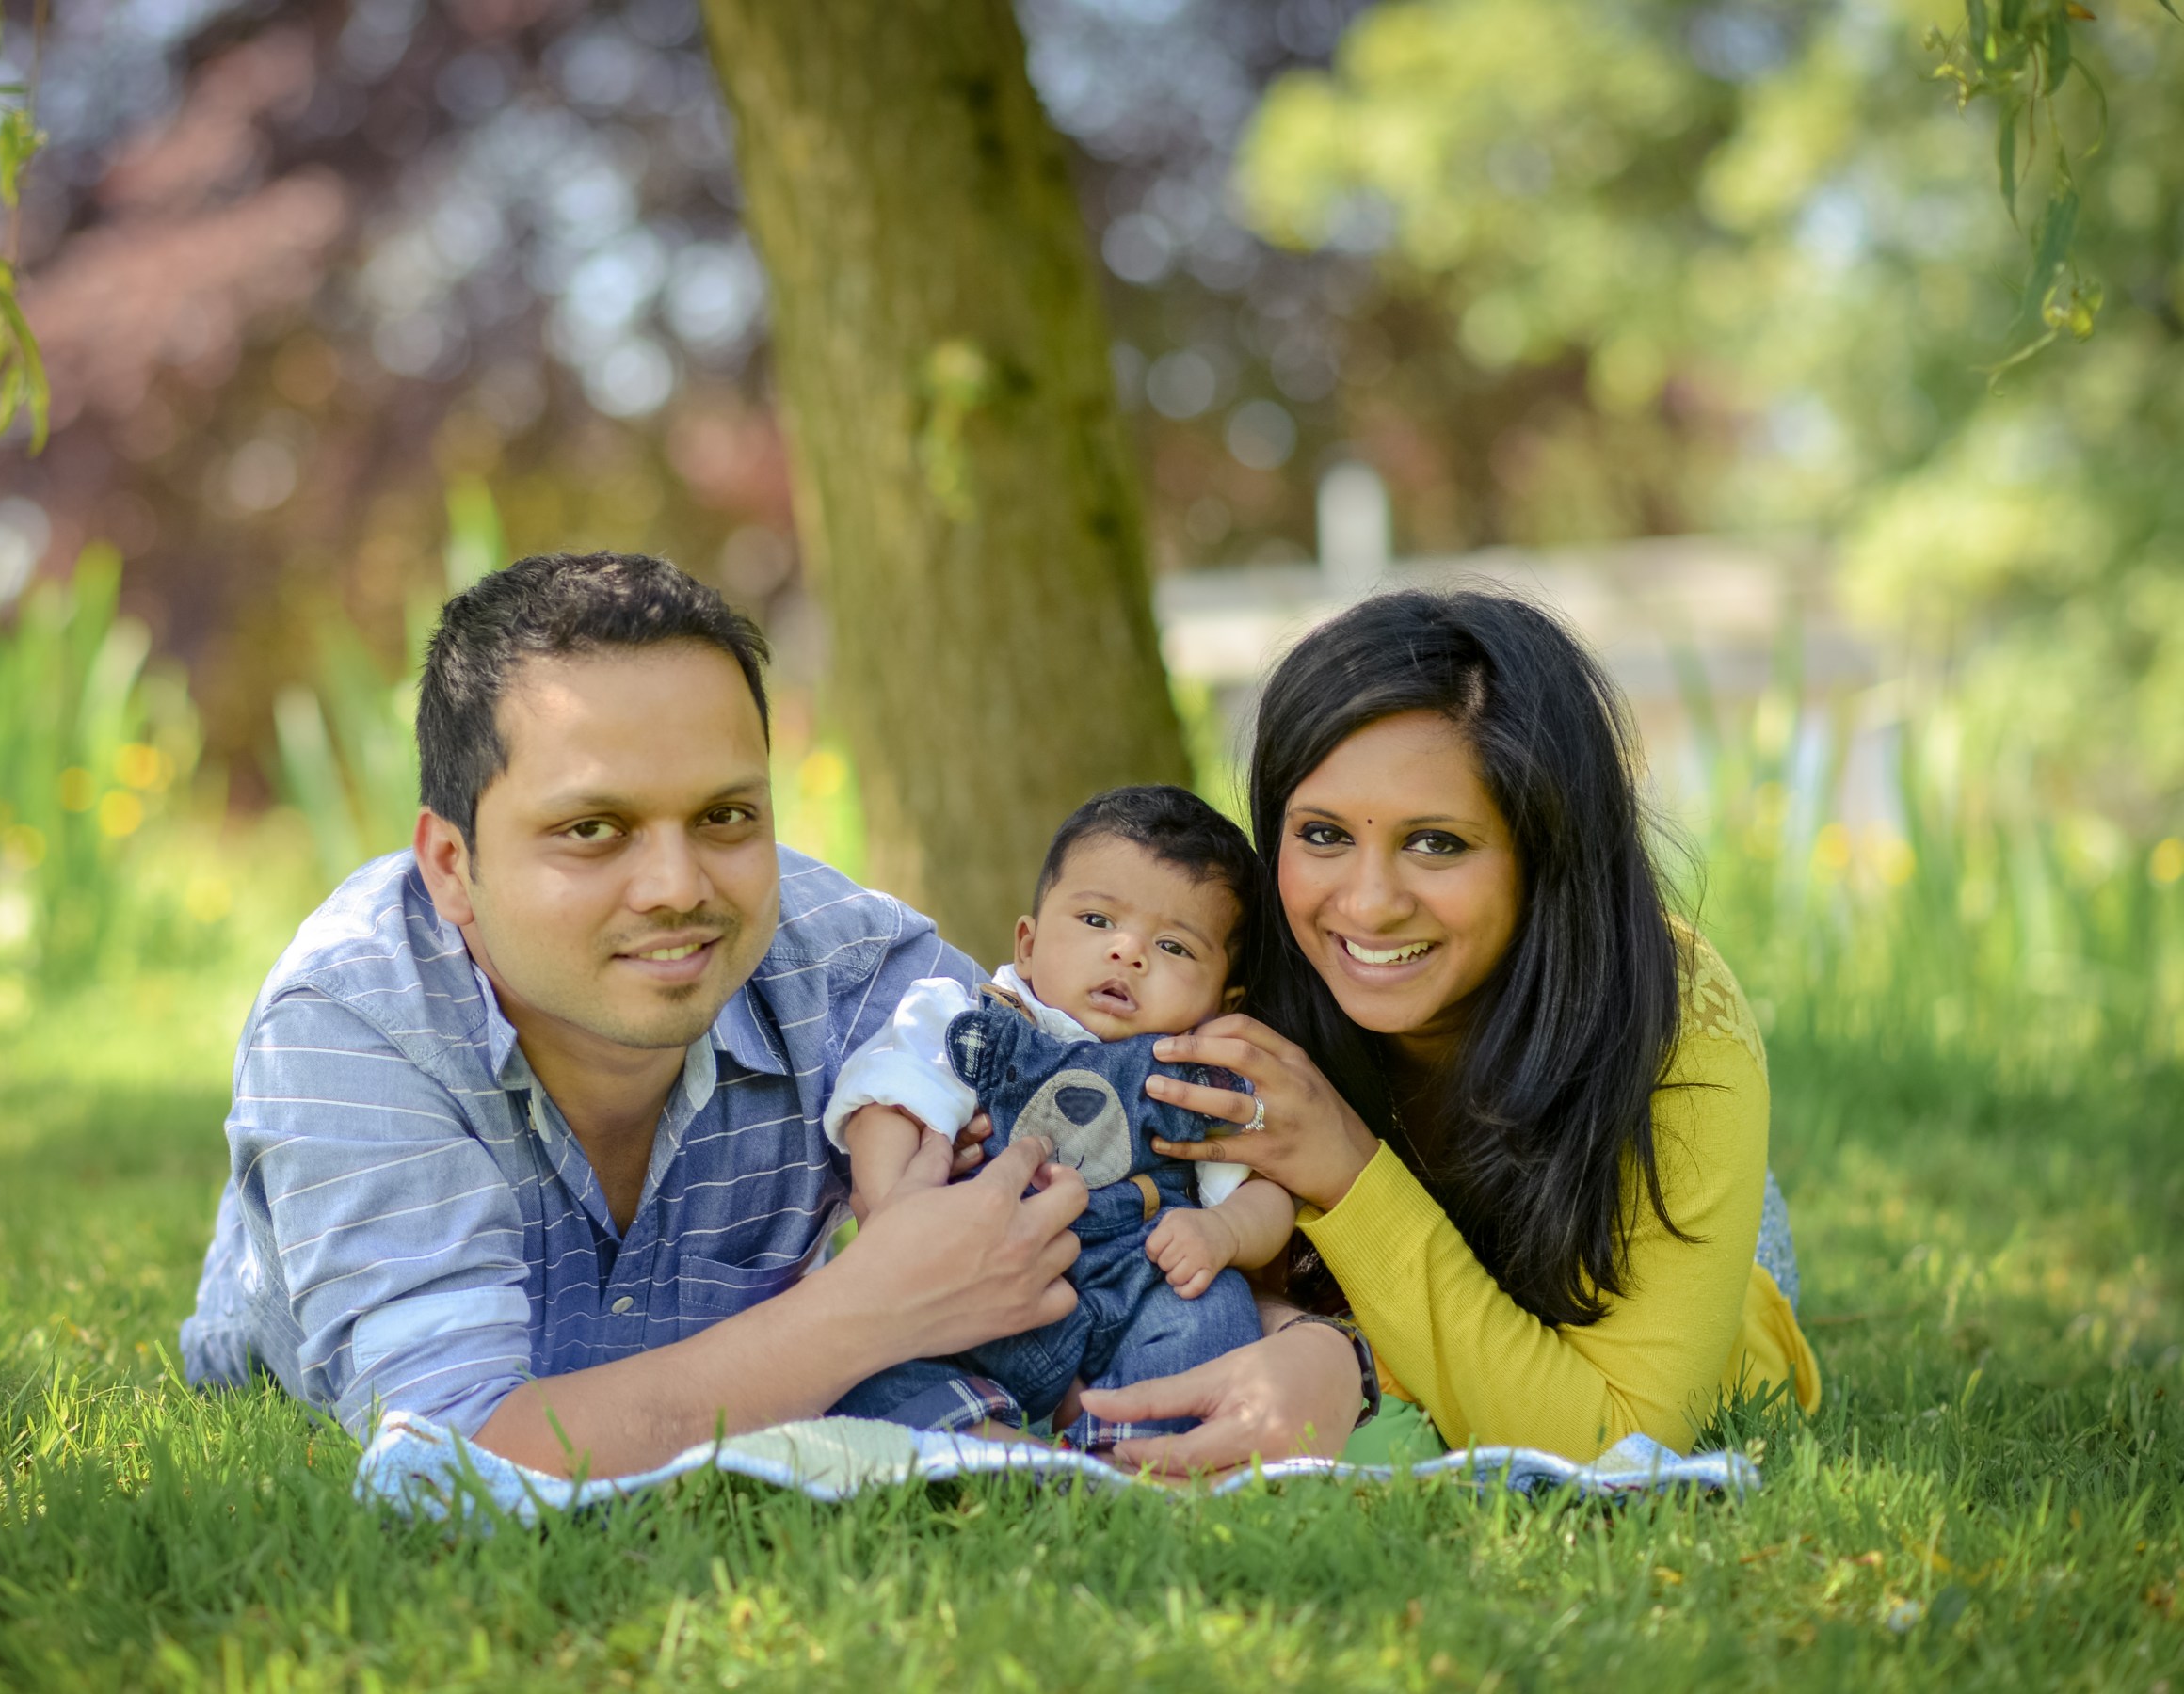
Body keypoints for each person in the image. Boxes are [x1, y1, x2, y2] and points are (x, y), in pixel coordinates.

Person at [177, 551, 1367, 1479]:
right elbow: (463, 1464)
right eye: (592, 829)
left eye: (727, 817)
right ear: (450, 863)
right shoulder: (353, 1023)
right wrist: (867, 1307)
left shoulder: (867, 970)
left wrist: (1317, 1353)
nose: (678, 885)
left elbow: (1129, 1174)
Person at [1095, 590, 1822, 1466]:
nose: (1367, 904)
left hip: (1643, 1186)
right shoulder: (1224, 973)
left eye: (1436, 843)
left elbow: (1620, 1438)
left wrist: (1349, 1173)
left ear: (1544, 848)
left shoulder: (1673, 1022)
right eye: (1322, 833)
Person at [821, 786, 1300, 1445]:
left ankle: (1131, 1450)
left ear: (1223, 1000)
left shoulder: (1202, 1079)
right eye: (1098, 921)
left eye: (1175, 947)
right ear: (1027, 943)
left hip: (1135, 1286)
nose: (1128, 952)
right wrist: (892, 1202)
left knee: (1214, 1314)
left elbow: (1266, 1197)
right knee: (873, 1363)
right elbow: (887, 1098)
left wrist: (1223, 1235)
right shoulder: (969, 1020)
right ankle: (981, 1444)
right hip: (963, 1291)